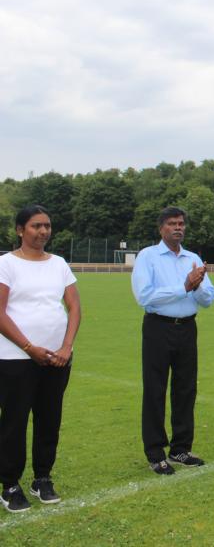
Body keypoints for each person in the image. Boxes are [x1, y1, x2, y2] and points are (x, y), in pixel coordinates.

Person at [0, 205, 81, 512]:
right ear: (20, 230)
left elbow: (74, 307)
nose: (43, 231)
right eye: (36, 226)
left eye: (47, 225)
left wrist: (66, 347)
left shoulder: (58, 264)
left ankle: (42, 478)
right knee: (14, 422)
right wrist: (28, 346)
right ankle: (10, 484)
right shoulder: (6, 264)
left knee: (49, 419)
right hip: (15, 357)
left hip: (57, 359)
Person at [131, 206, 214, 475]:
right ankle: (155, 452)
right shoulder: (148, 256)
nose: (178, 227)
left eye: (181, 223)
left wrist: (197, 285)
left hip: (187, 328)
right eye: (171, 223)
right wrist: (184, 286)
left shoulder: (193, 258)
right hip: (158, 327)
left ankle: (181, 448)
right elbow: (145, 296)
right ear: (161, 228)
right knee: (155, 390)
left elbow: (209, 299)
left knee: (186, 389)